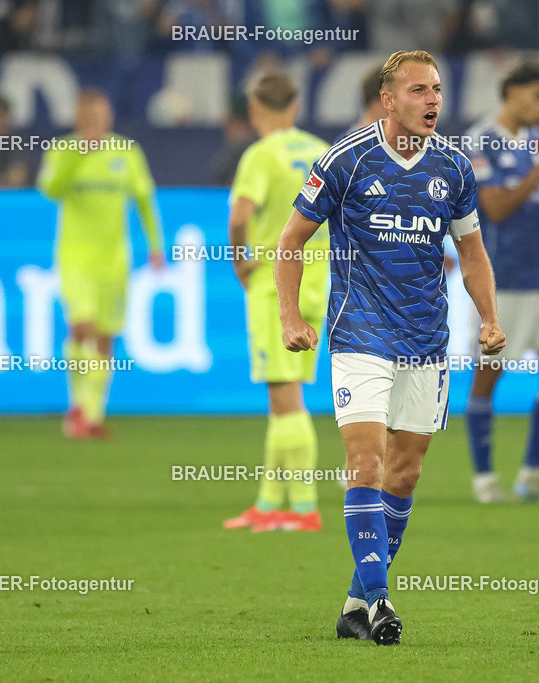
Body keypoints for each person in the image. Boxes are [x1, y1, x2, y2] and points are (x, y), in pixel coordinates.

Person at [275, 50, 505, 645]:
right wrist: (290, 316)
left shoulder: (453, 168)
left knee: (405, 474)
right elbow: (291, 240)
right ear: (389, 99)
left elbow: (473, 253)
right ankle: (380, 605)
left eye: (437, 90)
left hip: (426, 338)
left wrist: (488, 318)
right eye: (419, 90)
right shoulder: (345, 161)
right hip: (360, 333)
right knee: (367, 461)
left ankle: (356, 601)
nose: (432, 100)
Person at [222, 73, 331, 533]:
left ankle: (303, 507)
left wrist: (239, 261)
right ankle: (269, 503)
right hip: (318, 283)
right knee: (285, 394)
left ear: (253, 108)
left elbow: (240, 216)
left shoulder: (260, 155)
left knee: (285, 398)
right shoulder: (322, 150)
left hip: (276, 287)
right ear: (296, 104)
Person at [462, 59, 539, 503]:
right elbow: (497, 207)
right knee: (489, 376)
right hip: (501, 279)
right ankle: (484, 479)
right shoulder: (478, 140)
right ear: (514, 92)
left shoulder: (536, 142)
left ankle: (533, 471)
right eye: (538, 96)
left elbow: (537, 207)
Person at [37, 89, 165, 439]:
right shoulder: (62, 151)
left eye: (99, 119)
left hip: (114, 260)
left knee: (106, 338)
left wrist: (156, 245)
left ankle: (92, 412)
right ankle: (79, 407)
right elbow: (49, 188)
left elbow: (144, 199)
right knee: (82, 327)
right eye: (87, 120)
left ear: (108, 119)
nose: (94, 127)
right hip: (76, 258)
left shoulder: (127, 151)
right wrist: (78, 156)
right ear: (77, 121)